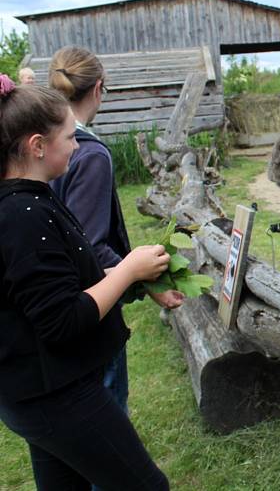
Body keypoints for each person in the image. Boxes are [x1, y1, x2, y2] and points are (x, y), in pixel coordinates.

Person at [0, 74, 170, 489]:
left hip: (37, 394)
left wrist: (133, 278)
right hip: (57, 395)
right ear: (37, 146)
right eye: (70, 138)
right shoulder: (24, 216)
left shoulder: (29, 202)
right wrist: (128, 268)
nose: (77, 146)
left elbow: (59, 284)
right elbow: (62, 320)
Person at [48, 46, 183, 416]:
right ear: (98, 88)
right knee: (105, 420)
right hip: (92, 309)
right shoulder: (90, 154)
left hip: (57, 308)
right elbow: (89, 245)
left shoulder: (37, 146)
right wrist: (145, 280)